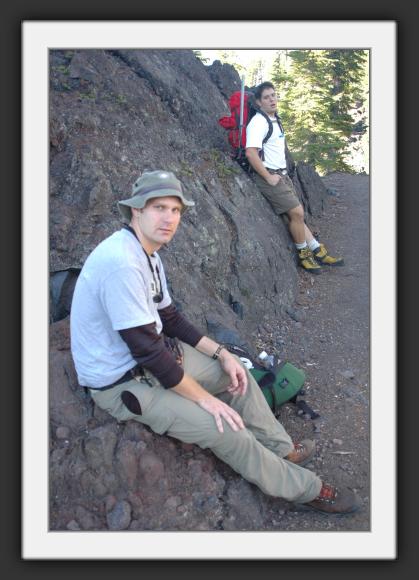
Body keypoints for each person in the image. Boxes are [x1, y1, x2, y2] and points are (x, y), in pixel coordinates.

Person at [70, 169, 360, 515]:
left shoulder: (148, 254)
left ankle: (281, 450)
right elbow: (148, 352)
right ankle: (306, 490)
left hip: (152, 362)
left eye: (175, 210)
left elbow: (170, 318)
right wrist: (207, 400)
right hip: (122, 383)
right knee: (225, 427)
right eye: (159, 208)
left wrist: (222, 354)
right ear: (136, 210)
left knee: (237, 375)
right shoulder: (121, 263)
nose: (169, 218)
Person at [246, 81, 344, 274]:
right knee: (298, 213)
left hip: (281, 175)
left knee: (296, 215)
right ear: (258, 102)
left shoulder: (274, 119)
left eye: (273, 95)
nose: (272, 100)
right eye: (266, 97)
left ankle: (317, 250)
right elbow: (251, 153)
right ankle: (304, 255)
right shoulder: (258, 122)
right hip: (269, 175)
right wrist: (268, 177)